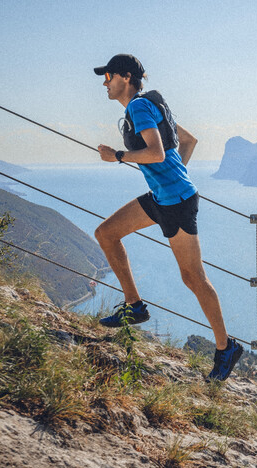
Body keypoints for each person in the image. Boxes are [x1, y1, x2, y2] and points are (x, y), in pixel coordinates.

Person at [92, 54, 242, 381]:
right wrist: (170, 178)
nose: (104, 82)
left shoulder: (138, 107)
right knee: (106, 233)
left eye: (108, 76)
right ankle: (134, 305)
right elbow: (187, 141)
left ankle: (225, 347)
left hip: (176, 203)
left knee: (193, 278)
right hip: (164, 196)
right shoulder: (150, 103)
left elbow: (157, 153)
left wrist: (116, 156)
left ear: (126, 77)